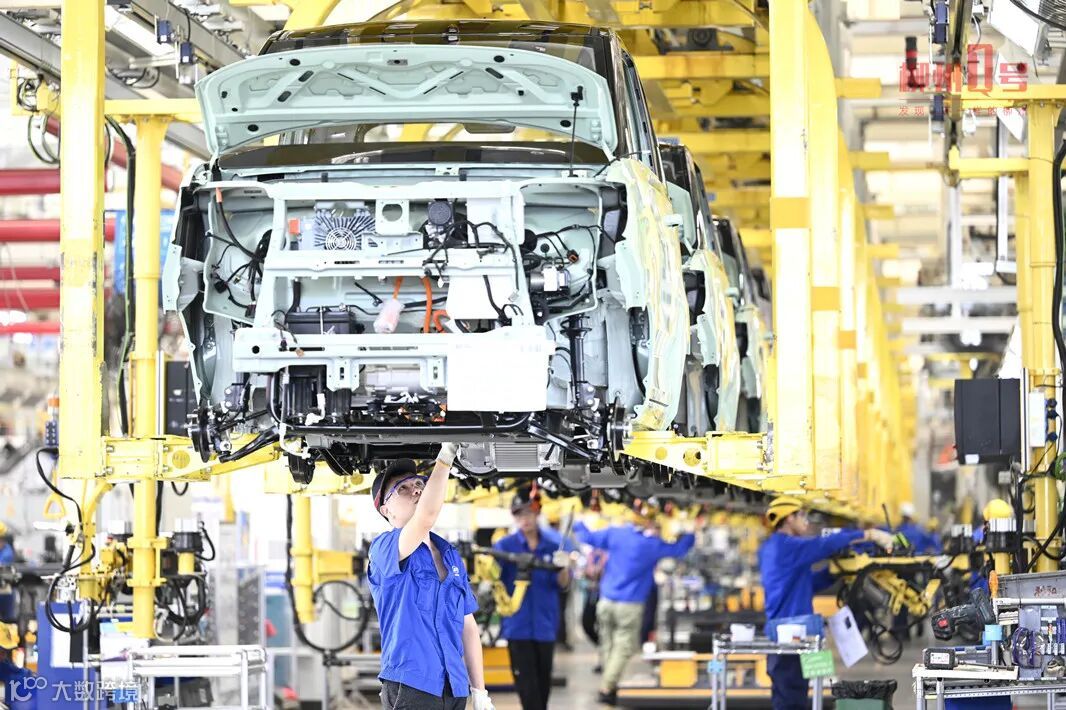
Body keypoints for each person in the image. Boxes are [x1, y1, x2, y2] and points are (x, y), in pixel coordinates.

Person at [367, 446, 494, 710]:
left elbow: (468, 625)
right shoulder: (384, 549)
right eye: (402, 488)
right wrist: (445, 457)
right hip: (412, 685)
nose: (415, 490)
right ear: (386, 510)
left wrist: (479, 690)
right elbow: (425, 518)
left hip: (454, 686)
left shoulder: (450, 555)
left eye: (418, 484)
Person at [758, 497, 895, 710]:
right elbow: (824, 544)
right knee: (790, 698)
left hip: (799, 633)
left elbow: (807, 584)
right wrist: (869, 534)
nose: (806, 520)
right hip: (788, 635)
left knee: (797, 695)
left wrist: (836, 573)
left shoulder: (781, 549)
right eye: (801, 515)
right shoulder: (785, 546)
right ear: (788, 518)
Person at [574, 508, 695, 706]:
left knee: (608, 644)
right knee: (623, 647)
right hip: (629, 605)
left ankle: (609, 682)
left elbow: (587, 537)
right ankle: (607, 687)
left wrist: (578, 520)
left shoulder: (615, 533)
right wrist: (690, 531)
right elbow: (678, 550)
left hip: (606, 601)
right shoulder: (650, 545)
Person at [492, 488, 571, 710]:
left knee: (543, 685)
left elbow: (563, 584)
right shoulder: (505, 546)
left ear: (538, 513)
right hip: (517, 625)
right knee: (527, 687)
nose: (524, 519)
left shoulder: (553, 546)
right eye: (519, 514)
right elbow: (493, 577)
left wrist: (563, 567)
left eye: (528, 512)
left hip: (546, 625)